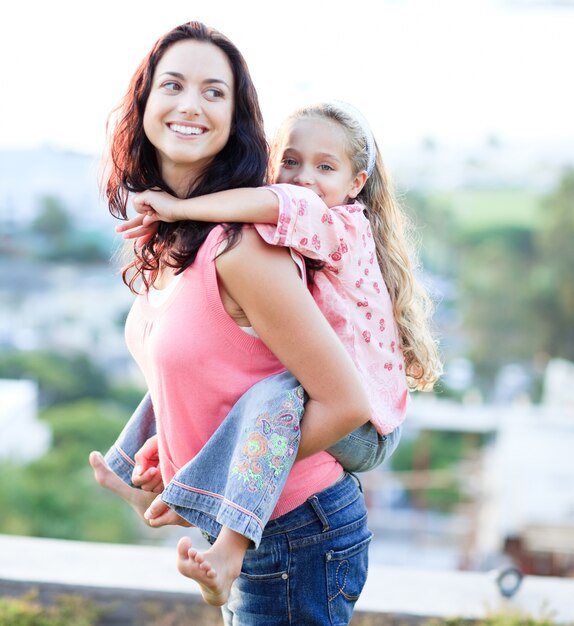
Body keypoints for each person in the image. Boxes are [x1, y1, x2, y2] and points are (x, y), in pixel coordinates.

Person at [90, 20, 383, 624]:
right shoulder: (171, 240)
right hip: (254, 524)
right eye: (172, 84)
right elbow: (218, 380)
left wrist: (220, 484)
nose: (190, 104)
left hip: (297, 531)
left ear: (237, 116)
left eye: (214, 91)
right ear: (143, 103)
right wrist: (185, 468)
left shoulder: (244, 247)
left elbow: (346, 403)